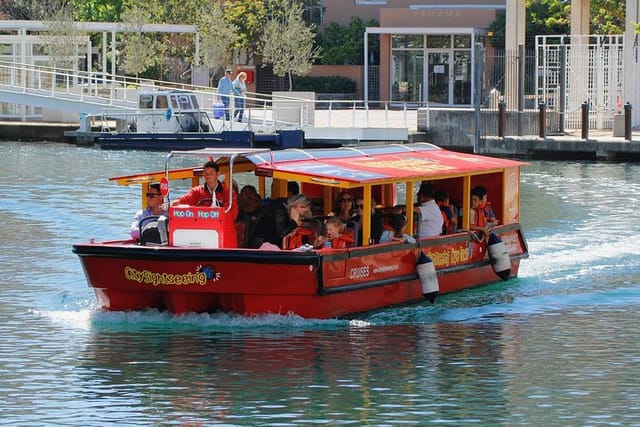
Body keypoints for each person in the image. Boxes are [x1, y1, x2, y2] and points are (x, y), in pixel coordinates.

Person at [170, 159, 238, 221]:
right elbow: (185, 200)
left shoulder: (228, 193)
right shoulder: (196, 191)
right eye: (205, 173)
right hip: (200, 228)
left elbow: (232, 214)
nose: (208, 175)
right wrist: (171, 204)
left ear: (218, 174)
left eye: (211, 173)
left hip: (221, 228)